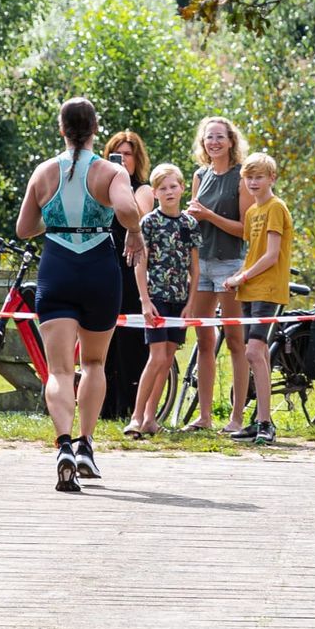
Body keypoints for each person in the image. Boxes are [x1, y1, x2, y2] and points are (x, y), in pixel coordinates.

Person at [16, 97, 146, 492]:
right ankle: (87, 444)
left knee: (57, 370)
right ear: (95, 129)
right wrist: (135, 233)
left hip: (57, 266)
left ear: (61, 129)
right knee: (93, 363)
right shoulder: (111, 170)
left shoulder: (43, 172)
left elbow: (24, 228)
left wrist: (55, 224)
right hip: (98, 269)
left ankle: (63, 444)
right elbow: (127, 210)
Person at [183, 116, 252, 432]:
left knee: (236, 341)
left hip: (229, 265)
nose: (214, 142)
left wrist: (208, 215)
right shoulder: (200, 176)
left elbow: (245, 229)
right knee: (204, 340)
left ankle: (237, 418)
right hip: (203, 265)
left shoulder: (241, 178)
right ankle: (205, 416)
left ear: (231, 141)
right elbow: (195, 223)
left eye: (220, 137)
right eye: (209, 137)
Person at [222, 152, 292, 445]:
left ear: (271, 178)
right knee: (259, 354)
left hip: (269, 288)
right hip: (250, 290)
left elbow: (271, 255)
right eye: (249, 177)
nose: (253, 182)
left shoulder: (276, 207)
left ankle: (265, 422)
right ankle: (262, 420)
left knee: (252, 351)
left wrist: (243, 276)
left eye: (259, 177)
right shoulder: (251, 212)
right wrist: (236, 277)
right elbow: (252, 254)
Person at [128, 163, 200, 437]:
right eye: (162, 188)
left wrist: (191, 304)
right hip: (156, 298)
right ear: (155, 193)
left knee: (168, 358)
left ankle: (150, 417)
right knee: (156, 357)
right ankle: (136, 416)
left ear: (182, 188)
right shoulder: (149, 222)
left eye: (173, 186)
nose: (169, 192)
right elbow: (140, 264)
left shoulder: (190, 224)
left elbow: (195, 268)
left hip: (180, 301)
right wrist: (145, 301)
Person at [101, 128, 158, 420]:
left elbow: (140, 217)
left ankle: (130, 406)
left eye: (127, 155)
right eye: (117, 155)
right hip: (102, 265)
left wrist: (121, 187)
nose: (122, 160)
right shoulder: (100, 188)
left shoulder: (143, 189)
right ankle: (105, 407)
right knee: (103, 339)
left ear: (137, 159)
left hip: (130, 266)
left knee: (130, 341)